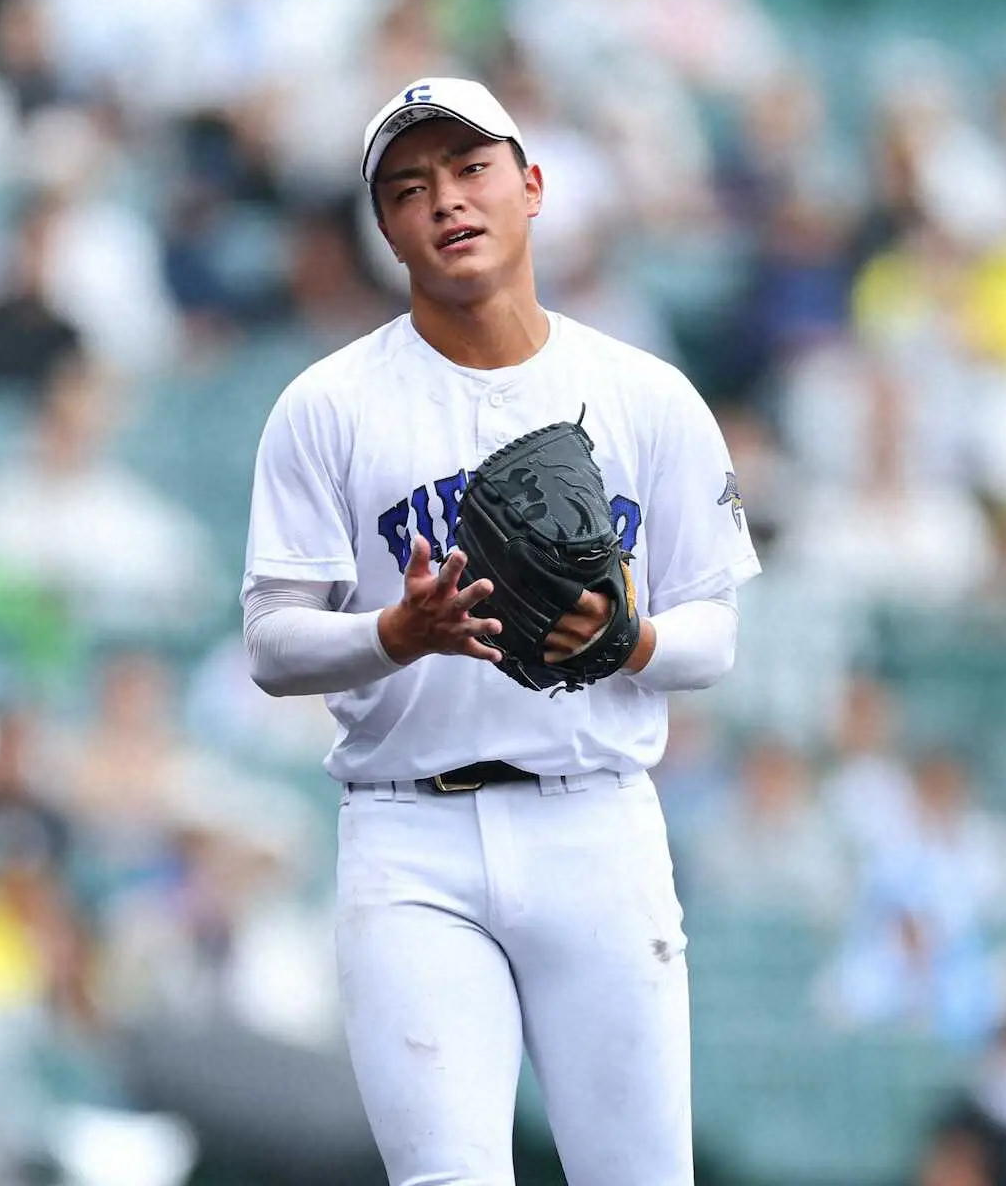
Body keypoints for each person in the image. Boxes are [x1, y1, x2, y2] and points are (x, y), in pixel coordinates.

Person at [240, 77, 761, 1186]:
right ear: (386, 230)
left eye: (471, 170)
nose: (447, 202)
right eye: (409, 187)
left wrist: (631, 645)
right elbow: (272, 643)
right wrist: (395, 633)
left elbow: (716, 629)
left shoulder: (644, 394)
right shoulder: (327, 405)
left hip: (596, 822)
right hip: (406, 834)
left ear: (531, 186)